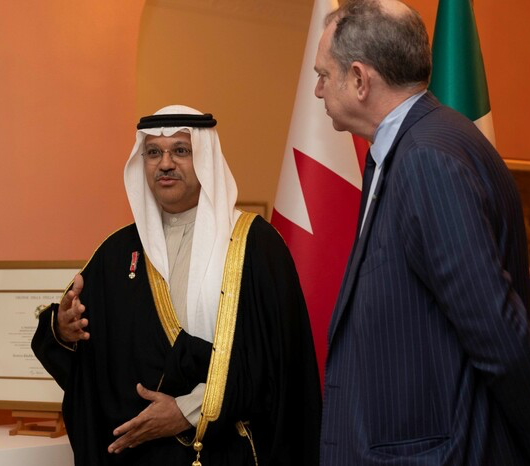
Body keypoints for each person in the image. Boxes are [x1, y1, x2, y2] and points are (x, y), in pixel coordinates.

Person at [314, 1, 530, 465]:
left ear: (360, 79)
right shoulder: (415, 145)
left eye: (324, 75)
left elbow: (497, 330)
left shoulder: (427, 159)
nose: (318, 90)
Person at [32, 105, 321, 465]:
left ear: (205, 158)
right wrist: (64, 329)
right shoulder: (117, 252)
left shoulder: (255, 244)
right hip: (139, 457)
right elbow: (88, 364)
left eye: (180, 150)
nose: (165, 163)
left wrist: (188, 411)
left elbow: (275, 359)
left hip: (224, 451)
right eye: (153, 152)